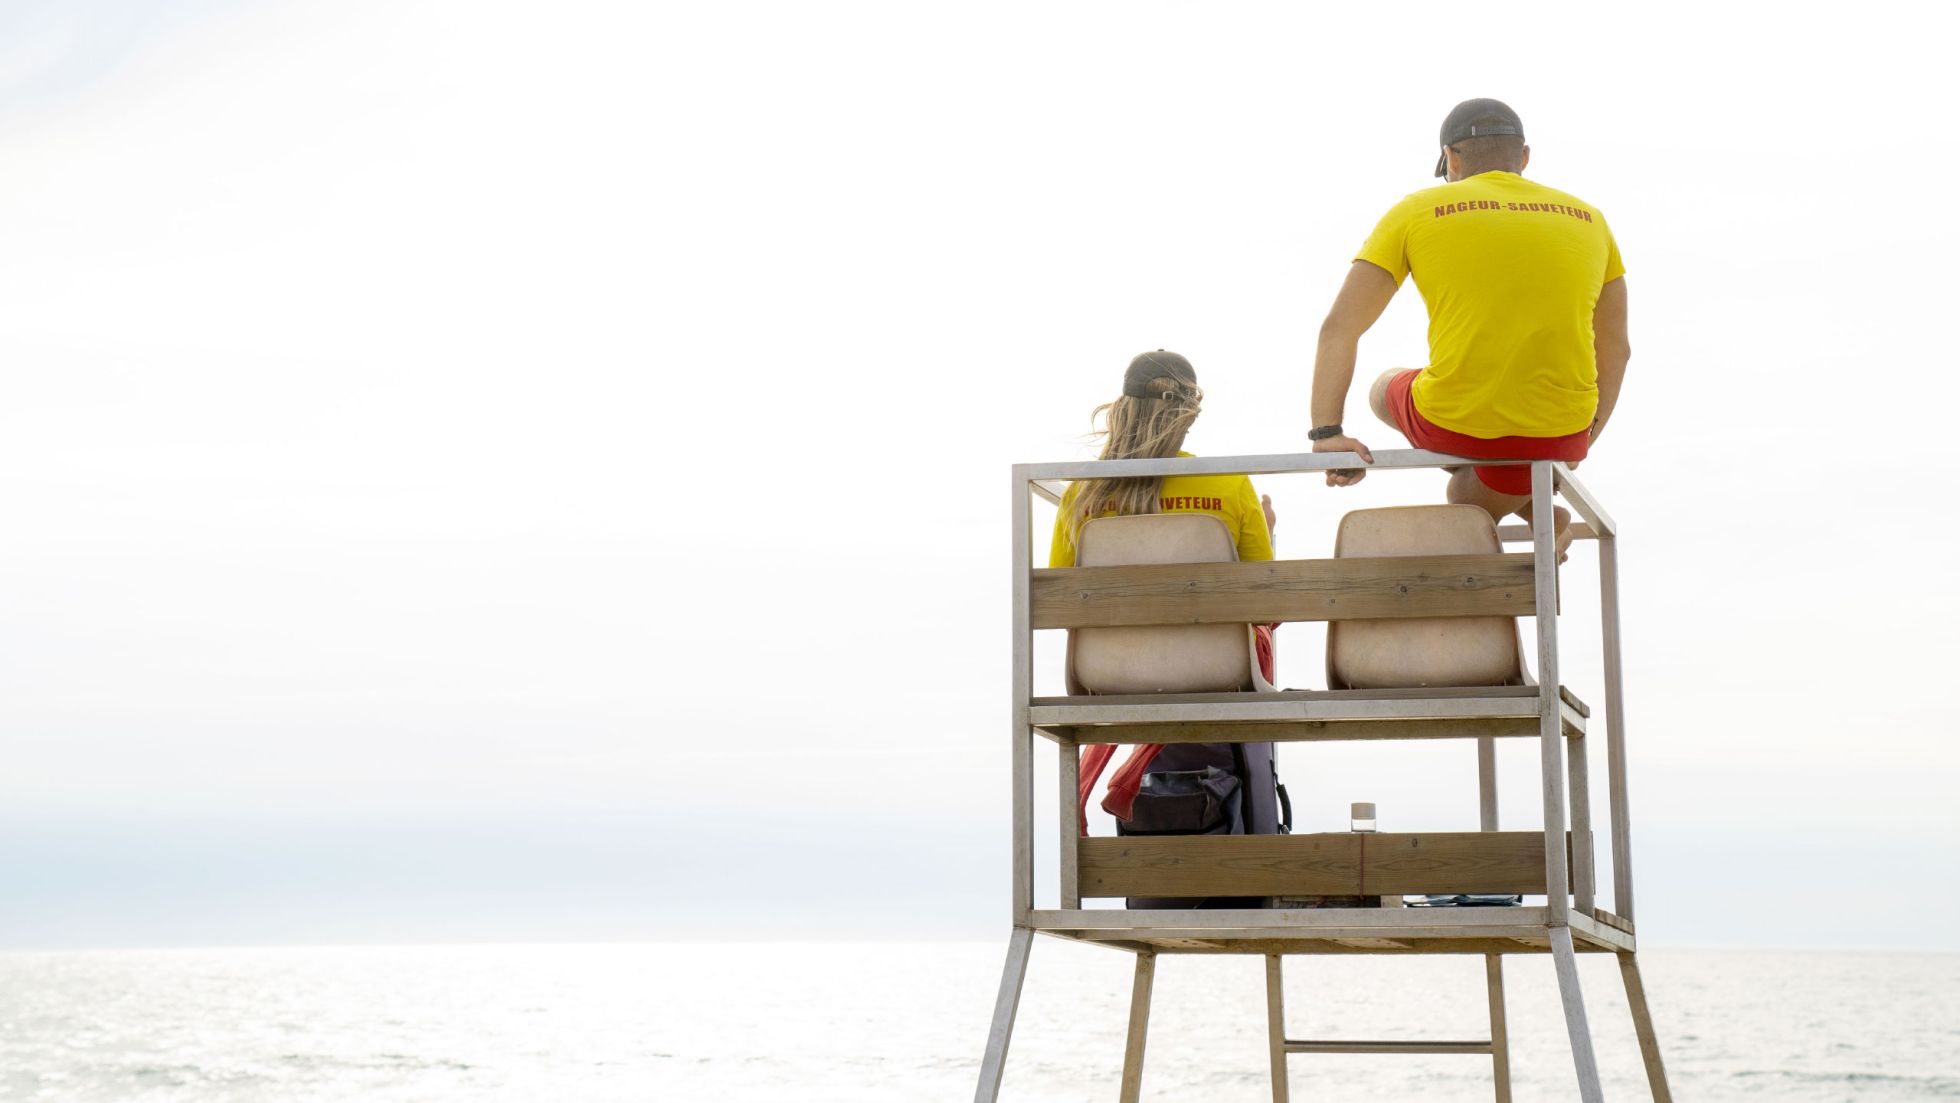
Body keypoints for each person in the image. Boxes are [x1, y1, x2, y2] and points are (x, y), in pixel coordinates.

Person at [1305, 98, 1631, 557]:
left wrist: (1326, 434)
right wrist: (1581, 441)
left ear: (1451, 158)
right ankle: (1539, 508)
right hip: (1562, 428)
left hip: (1457, 420)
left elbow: (1339, 327)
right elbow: (1616, 348)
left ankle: (1536, 509)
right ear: (1523, 158)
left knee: (1383, 389)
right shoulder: (1591, 219)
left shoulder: (1418, 209)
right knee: (1465, 494)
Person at [1051, 349, 1276, 828]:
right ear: (1188, 415)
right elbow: (1267, 604)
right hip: (1218, 671)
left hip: (1108, 676)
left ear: (1123, 408)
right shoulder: (1229, 483)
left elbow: (1062, 605)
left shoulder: (1082, 494)